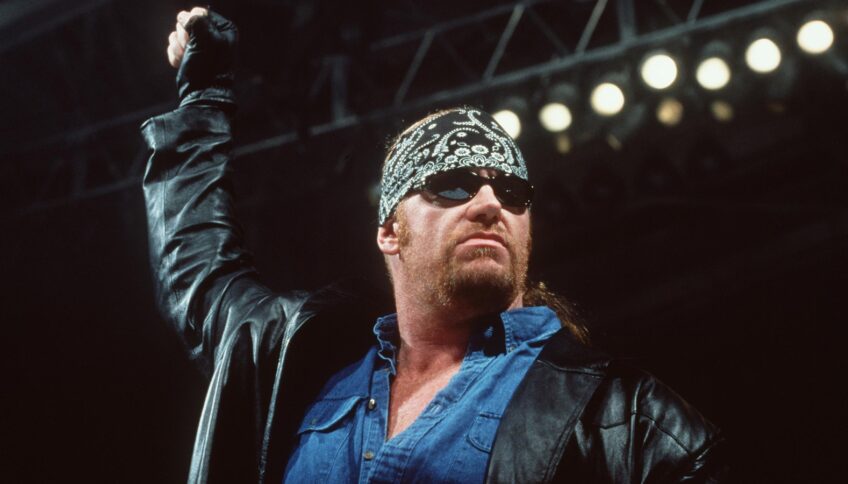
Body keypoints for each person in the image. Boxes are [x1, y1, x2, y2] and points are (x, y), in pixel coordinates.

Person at [143, 7, 727, 484]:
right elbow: (201, 269)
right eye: (452, 185)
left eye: (512, 191)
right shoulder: (297, 357)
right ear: (389, 232)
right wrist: (203, 100)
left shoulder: (629, 421)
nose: (490, 203)